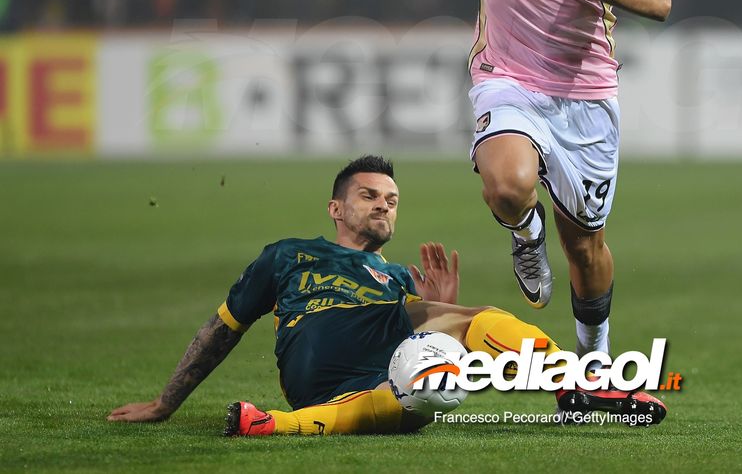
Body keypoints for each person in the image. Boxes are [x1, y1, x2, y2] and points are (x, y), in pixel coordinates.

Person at [247, 0, 673, 364]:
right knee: (507, 184)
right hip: (505, 73)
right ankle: (525, 236)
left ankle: (593, 363)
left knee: (587, 247)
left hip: (583, 94)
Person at [108, 156, 665, 435]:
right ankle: (581, 384)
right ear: (336, 209)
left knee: (427, 387)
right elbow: (224, 326)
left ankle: (272, 424)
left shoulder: (398, 279)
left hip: (372, 383)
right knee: (472, 320)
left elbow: (427, 336)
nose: (383, 205)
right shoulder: (288, 255)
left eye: (392, 199)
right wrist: (167, 402)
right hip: (316, 355)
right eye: (369, 195)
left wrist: (439, 314)